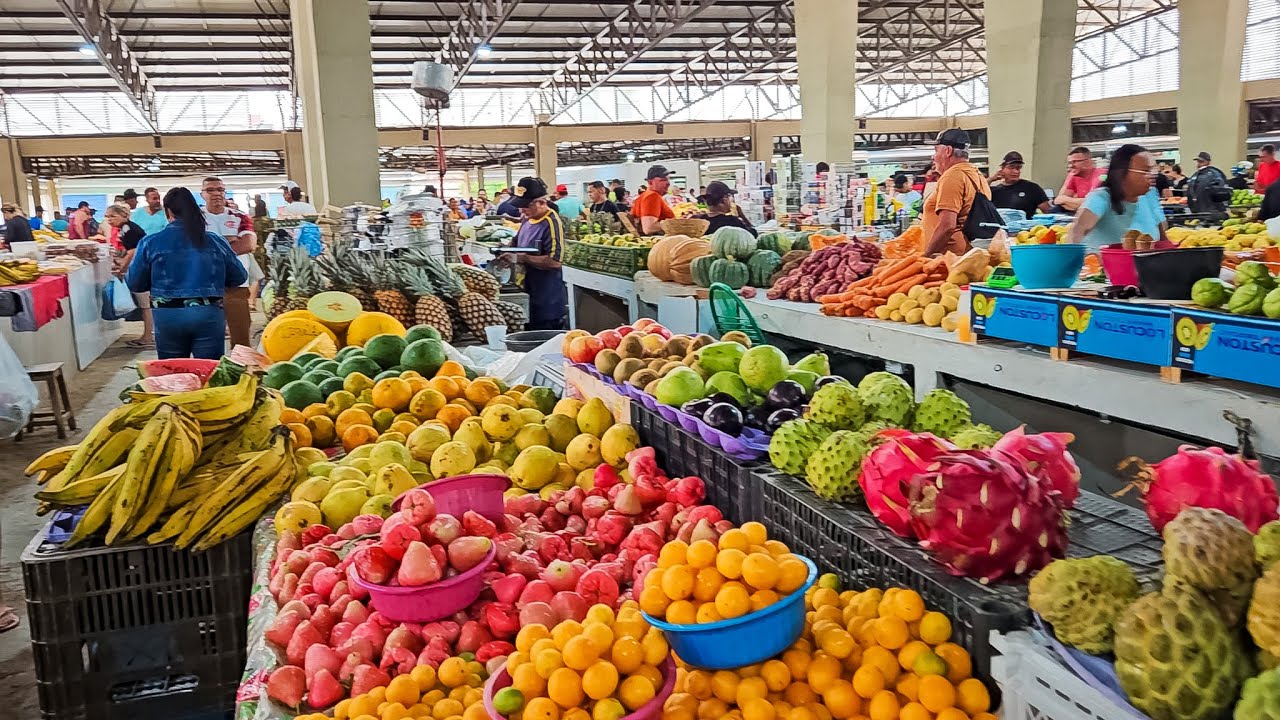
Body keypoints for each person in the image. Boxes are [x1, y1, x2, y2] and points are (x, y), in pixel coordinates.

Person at [126, 188, 247, 359]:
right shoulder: (214, 240)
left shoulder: (149, 243)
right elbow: (239, 277)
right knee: (208, 372)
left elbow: (135, 283)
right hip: (208, 313)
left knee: (173, 372)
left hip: (167, 315)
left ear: (168, 211)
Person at [1066, 144, 1168, 253]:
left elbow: (1162, 239)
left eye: (1153, 171)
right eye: (1146, 172)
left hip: (1146, 266)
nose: (1152, 177)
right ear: (1122, 173)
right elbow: (1078, 230)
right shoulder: (1101, 197)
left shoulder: (1150, 195)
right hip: (1103, 267)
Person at [500, 177, 566, 330]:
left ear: (541, 202)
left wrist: (521, 258)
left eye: (525, 206)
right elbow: (516, 243)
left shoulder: (551, 222)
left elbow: (555, 261)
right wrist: (505, 251)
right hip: (528, 293)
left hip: (546, 300)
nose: (521, 210)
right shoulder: (527, 219)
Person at [201, 176, 258, 349]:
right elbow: (191, 246)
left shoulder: (240, 216)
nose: (216, 193)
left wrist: (210, 248)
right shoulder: (196, 217)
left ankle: (242, 370)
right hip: (205, 284)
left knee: (240, 336)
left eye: (220, 190)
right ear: (202, 194)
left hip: (236, 283)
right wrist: (231, 241)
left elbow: (248, 244)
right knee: (206, 337)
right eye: (210, 190)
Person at [920, 128, 991, 256]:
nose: (933, 156)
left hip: (949, 258)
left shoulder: (952, 176)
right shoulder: (977, 175)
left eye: (936, 150)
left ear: (948, 151)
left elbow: (947, 226)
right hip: (968, 253)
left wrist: (926, 257)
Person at [104, 203, 153, 347]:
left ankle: (147, 337)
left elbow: (133, 251)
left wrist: (122, 270)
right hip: (143, 268)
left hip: (143, 270)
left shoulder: (127, 228)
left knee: (146, 306)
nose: (109, 220)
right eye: (107, 217)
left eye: (113, 216)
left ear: (124, 216)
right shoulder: (125, 228)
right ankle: (149, 335)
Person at [989, 151, 1050, 219]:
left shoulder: (1032, 188)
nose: (1016, 171)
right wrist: (991, 179)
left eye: (1018, 168)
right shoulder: (995, 191)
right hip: (1001, 228)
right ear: (1002, 169)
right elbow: (977, 194)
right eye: (1011, 167)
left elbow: (1048, 213)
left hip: (1026, 228)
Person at [1054, 146, 1104, 213]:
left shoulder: (1102, 175)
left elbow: (1095, 203)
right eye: (1069, 163)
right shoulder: (1074, 176)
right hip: (1079, 214)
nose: (1070, 166)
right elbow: (1058, 200)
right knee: (1055, 209)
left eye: (1074, 162)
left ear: (1088, 162)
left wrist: (1068, 201)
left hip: (1098, 216)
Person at [1186, 151, 1230, 220]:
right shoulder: (1196, 175)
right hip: (1198, 211)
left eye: (1201, 161)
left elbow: (1222, 192)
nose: (1199, 164)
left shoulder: (1214, 174)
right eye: (1198, 161)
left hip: (1211, 211)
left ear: (1208, 162)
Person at [633, 165, 675, 235]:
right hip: (659, 242)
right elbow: (649, 228)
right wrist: (676, 224)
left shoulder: (645, 195)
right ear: (650, 182)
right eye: (663, 180)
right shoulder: (652, 196)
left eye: (668, 179)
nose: (668, 183)